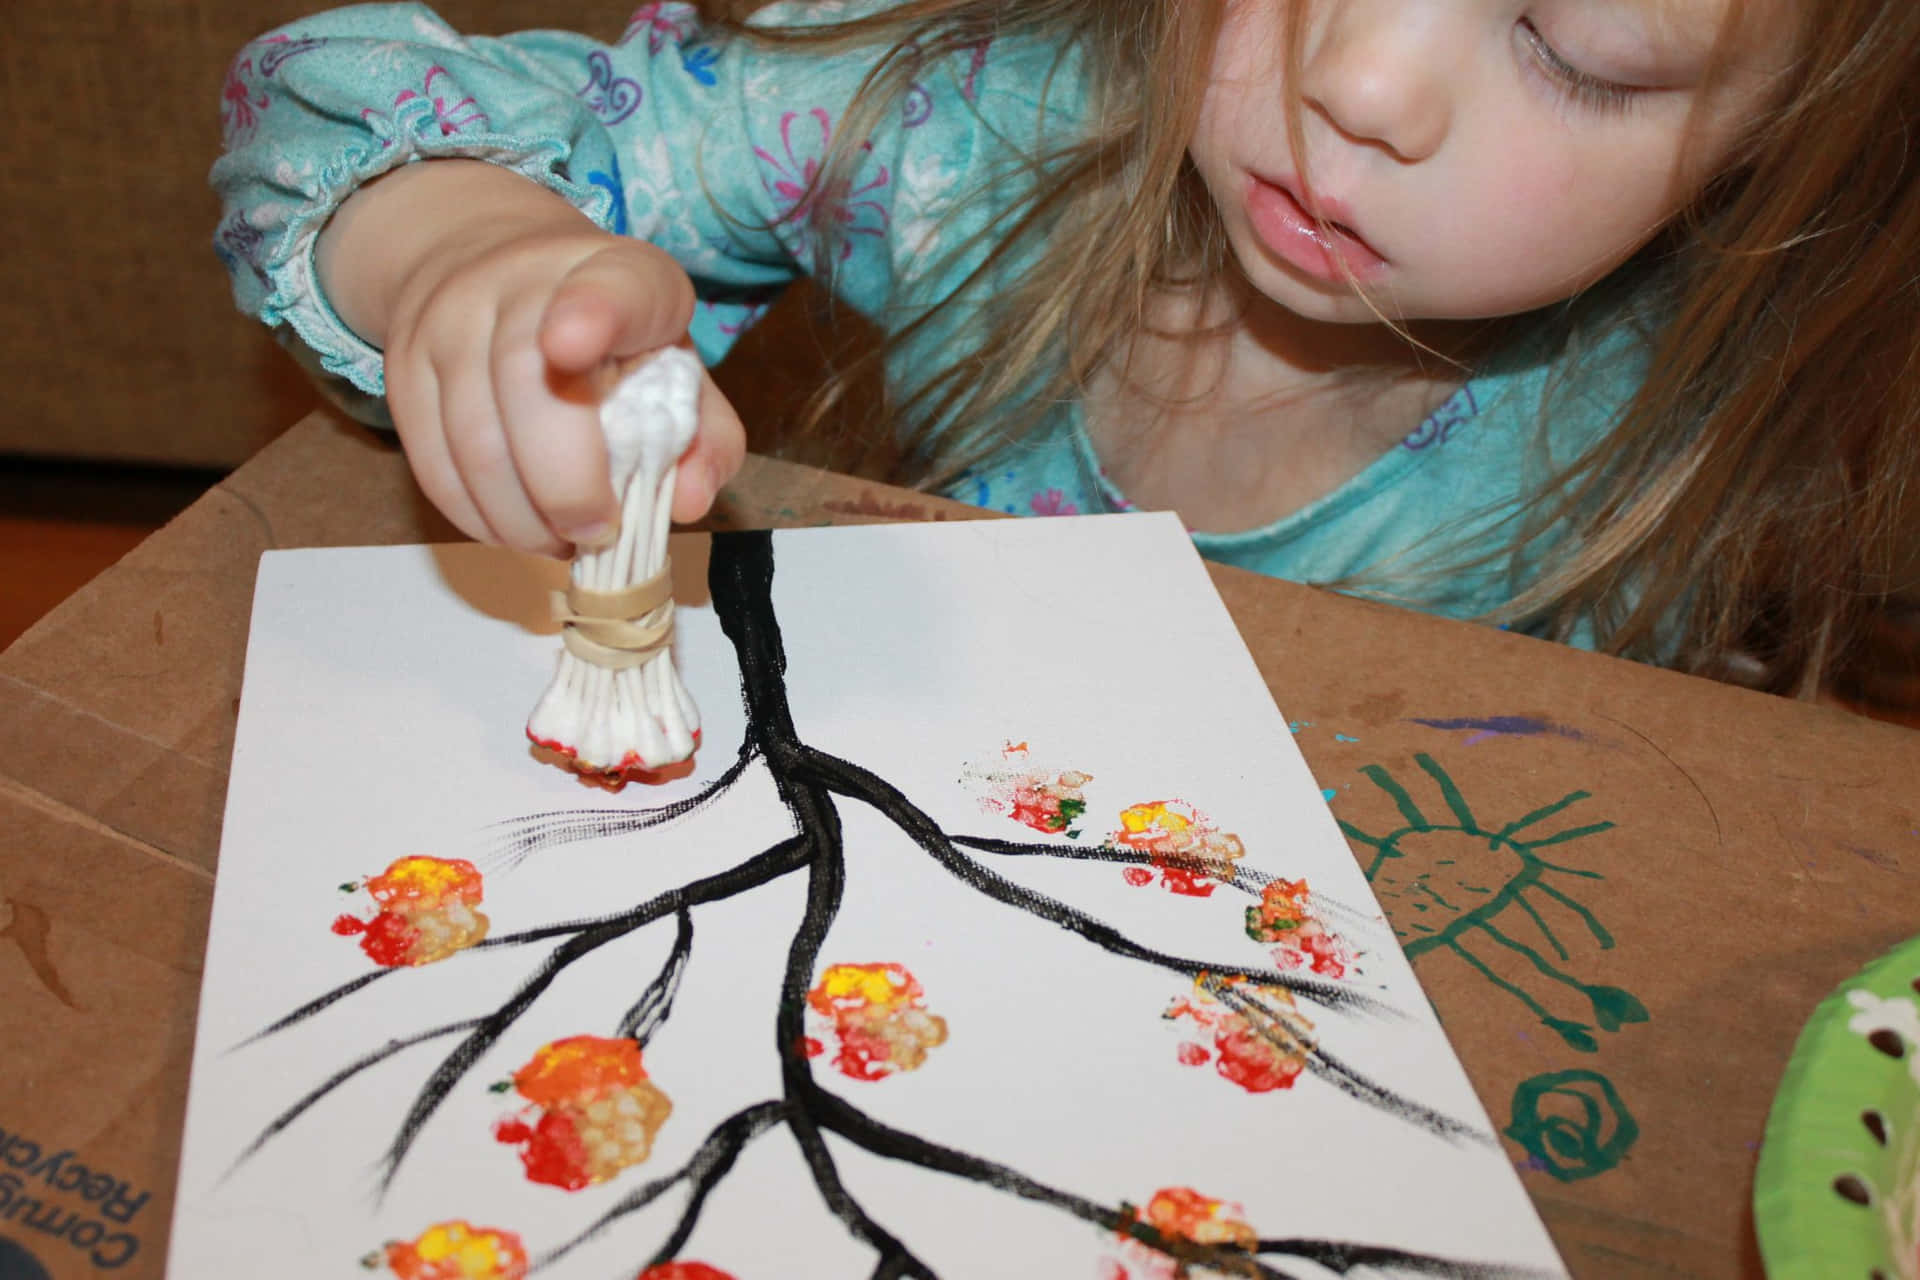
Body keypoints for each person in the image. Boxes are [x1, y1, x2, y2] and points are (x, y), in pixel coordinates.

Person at [211, 0, 1920, 697]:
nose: (1362, 84)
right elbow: (334, 119)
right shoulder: (961, 122)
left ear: (1791, 143)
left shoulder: (1671, 463)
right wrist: (465, 252)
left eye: (1582, 44)